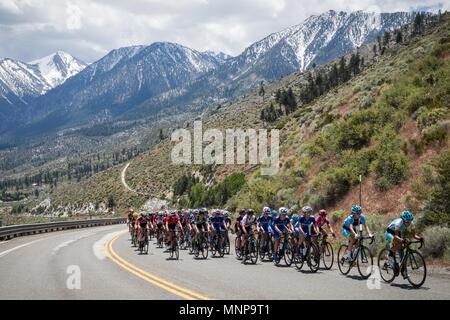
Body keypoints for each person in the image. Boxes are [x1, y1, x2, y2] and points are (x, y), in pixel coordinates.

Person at [385, 210, 423, 278]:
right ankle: (389, 256)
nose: (408, 223)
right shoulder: (398, 223)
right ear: (403, 220)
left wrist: (420, 238)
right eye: (407, 221)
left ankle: (403, 271)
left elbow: (414, 235)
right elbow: (396, 236)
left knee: (402, 252)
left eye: (410, 221)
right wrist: (402, 240)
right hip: (390, 232)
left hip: (397, 232)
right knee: (399, 244)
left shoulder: (411, 223)